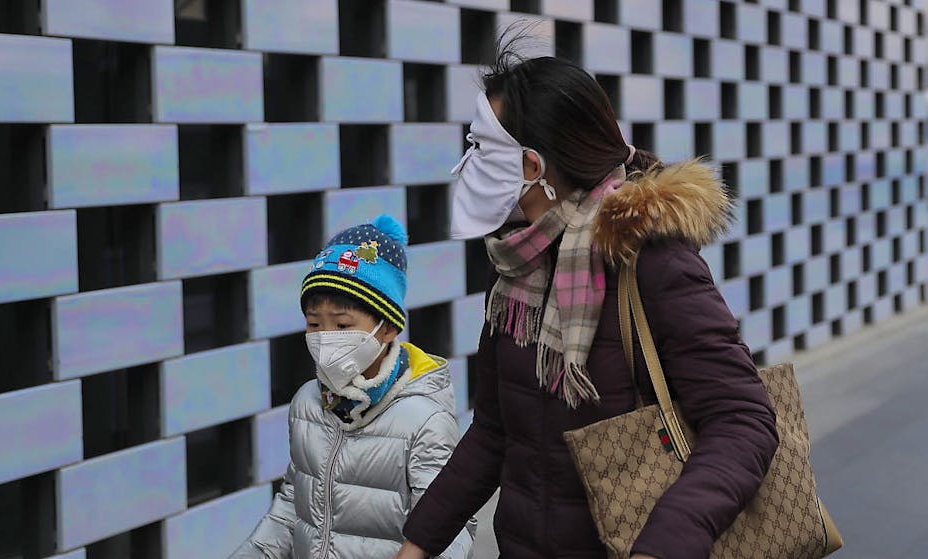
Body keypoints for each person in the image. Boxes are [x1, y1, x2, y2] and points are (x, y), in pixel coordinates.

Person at [394, 44, 779, 559]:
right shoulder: (516, 268)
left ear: (532, 166)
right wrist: (418, 543)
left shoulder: (652, 262)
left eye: (482, 148)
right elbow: (493, 432)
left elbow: (743, 420)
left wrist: (662, 546)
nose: (470, 163)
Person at [230, 215, 475, 559]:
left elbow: (449, 529)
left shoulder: (423, 420)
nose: (326, 337)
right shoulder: (307, 403)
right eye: (314, 323)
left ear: (388, 328)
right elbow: (293, 507)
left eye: (342, 324)